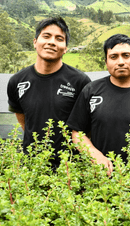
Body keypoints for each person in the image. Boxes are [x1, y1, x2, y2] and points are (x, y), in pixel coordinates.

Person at [67, 34, 130, 175]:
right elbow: (76, 132)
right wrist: (95, 156)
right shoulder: (91, 91)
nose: (120, 62)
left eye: (126, 55)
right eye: (113, 57)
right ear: (106, 62)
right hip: (101, 176)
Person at [7, 17, 91, 166]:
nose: (52, 42)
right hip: (32, 167)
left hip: (70, 167)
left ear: (65, 48)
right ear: (35, 42)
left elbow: (87, 128)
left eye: (59, 38)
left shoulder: (80, 82)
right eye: (46, 36)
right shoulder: (17, 81)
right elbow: (24, 121)